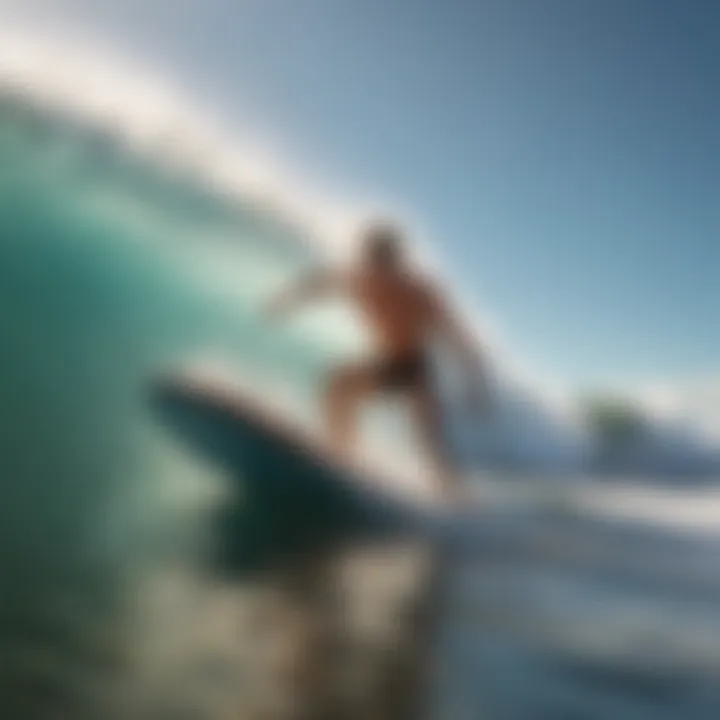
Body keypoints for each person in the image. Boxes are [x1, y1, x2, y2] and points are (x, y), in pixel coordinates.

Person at [265, 221, 490, 502]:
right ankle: (341, 458)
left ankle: (457, 501)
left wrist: (476, 385)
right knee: (339, 385)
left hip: (416, 367)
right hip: (387, 362)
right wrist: (285, 301)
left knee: (429, 442)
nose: (379, 265)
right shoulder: (359, 278)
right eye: (373, 257)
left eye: (386, 259)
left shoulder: (419, 291)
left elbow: (458, 337)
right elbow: (319, 283)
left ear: (397, 260)